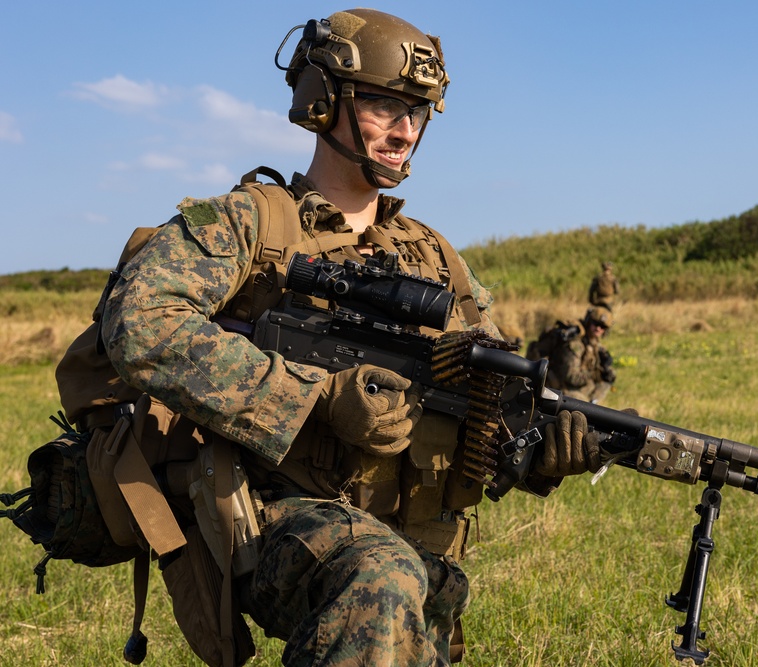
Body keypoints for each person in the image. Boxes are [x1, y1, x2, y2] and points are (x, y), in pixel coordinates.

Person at [97, 9, 600, 666]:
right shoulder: (248, 223)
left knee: (396, 579)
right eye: (387, 103)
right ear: (322, 100)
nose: (406, 130)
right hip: (274, 515)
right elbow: (141, 320)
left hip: (413, 552)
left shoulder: (433, 257)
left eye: (419, 112)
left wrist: (541, 452)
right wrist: (314, 397)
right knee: (380, 575)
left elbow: (485, 407)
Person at [544, 306, 616, 404]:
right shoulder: (575, 344)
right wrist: (595, 373)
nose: (598, 329)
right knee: (586, 411)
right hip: (562, 389)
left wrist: (606, 371)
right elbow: (572, 377)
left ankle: (593, 402)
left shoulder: (594, 343)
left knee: (607, 380)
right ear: (589, 322)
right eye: (596, 324)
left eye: (602, 327)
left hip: (580, 388)